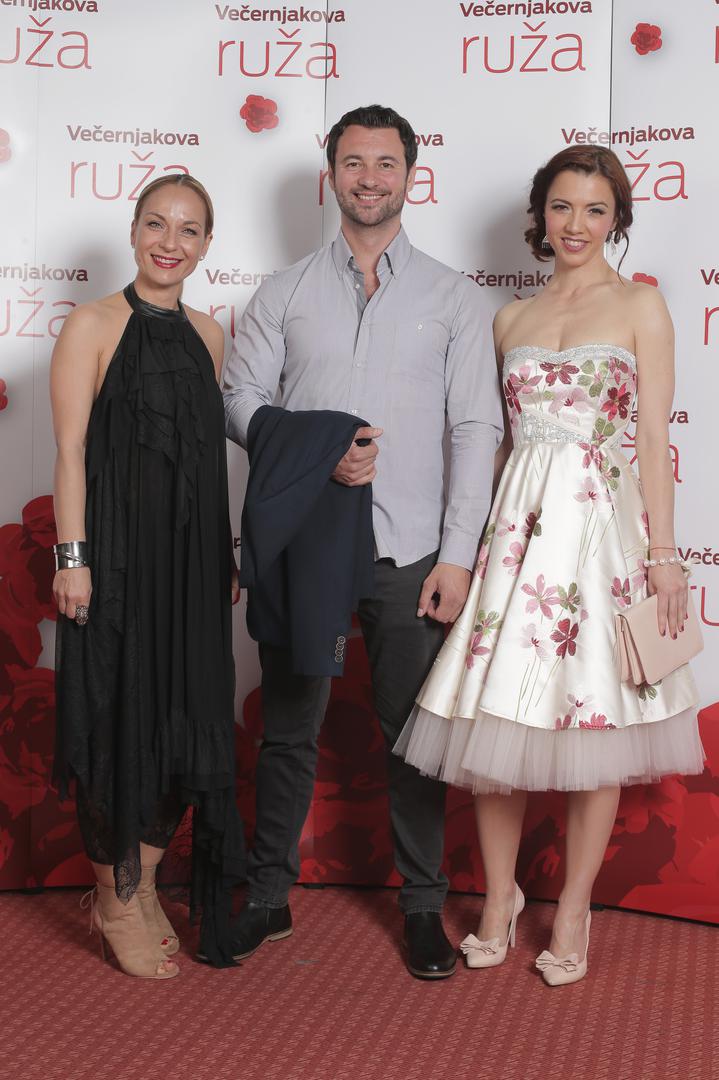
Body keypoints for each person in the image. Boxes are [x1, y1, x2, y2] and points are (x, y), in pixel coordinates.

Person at [395, 145, 704, 986]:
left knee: (594, 723)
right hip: (516, 536)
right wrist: (469, 549)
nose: (575, 224)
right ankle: (498, 900)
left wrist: (664, 556)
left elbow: (651, 441)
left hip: (601, 535)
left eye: (594, 209)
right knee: (495, 723)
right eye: (562, 207)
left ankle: (571, 909)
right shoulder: (510, 320)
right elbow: (496, 449)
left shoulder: (640, 306)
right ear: (540, 216)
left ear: (616, 219)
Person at [224, 104, 503, 979]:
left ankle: (422, 907)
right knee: (288, 730)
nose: (369, 178)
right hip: (305, 542)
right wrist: (319, 449)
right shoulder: (282, 292)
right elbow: (238, 399)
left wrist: (456, 554)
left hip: (410, 548)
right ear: (330, 174)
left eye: (386, 163)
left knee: (411, 737)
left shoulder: (454, 297)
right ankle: (268, 896)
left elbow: (474, 426)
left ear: (411, 175)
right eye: (353, 162)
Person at [52, 174, 245, 977]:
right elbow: (69, 453)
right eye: (157, 224)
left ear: (205, 245)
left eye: (189, 230)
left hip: (190, 568)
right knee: (113, 720)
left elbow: (205, 465)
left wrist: (223, 556)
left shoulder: (209, 334)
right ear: (133, 232)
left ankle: (145, 886)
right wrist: (73, 560)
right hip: (114, 562)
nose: (171, 242)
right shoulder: (92, 324)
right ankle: (111, 898)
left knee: (182, 719)